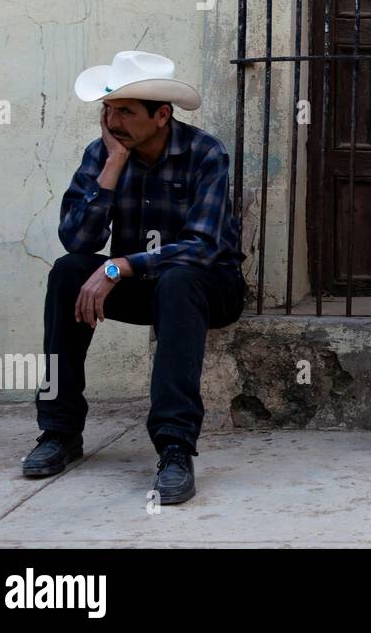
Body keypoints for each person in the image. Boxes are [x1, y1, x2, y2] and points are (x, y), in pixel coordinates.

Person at [24, 50, 246, 503]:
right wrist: (111, 171)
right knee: (68, 273)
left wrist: (120, 265)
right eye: (107, 110)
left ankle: (175, 446)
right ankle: (59, 431)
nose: (112, 121)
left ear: (161, 115)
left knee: (179, 279)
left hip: (209, 287)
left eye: (124, 111)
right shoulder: (102, 154)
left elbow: (203, 247)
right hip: (142, 285)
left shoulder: (205, 153)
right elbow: (77, 241)